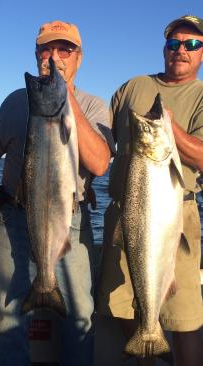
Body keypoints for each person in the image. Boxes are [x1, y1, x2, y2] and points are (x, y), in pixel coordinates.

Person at [0, 20, 112, 366]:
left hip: (69, 224)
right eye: (46, 49)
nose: (55, 56)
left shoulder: (93, 107)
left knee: (79, 316)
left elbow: (101, 164)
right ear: (36, 54)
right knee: (9, 317)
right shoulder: (15, 101)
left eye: (65, 50)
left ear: (79, 58)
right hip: (12, 220)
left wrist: (66, 98)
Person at [97, 15, 203, 366]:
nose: (182, 51)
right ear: (164, 49)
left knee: (185, 316)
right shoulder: (131, 87)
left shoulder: (201, 95)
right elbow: (102, 146)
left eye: (191, 44)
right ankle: (148, 343)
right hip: (124, 210)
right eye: (174, 44)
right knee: (119, 301)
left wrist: (170, 129)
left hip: (176, 212)